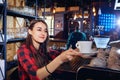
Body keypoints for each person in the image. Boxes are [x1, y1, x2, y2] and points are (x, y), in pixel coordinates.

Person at [17, 19, 82, 80]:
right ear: (30, 31)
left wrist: (74, 52)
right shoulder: (23, 50)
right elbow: (36, 76)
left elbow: (57, 54)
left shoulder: (42, 49)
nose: (43, 33)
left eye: (45, 31)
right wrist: (60, 59)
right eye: (39, 30)